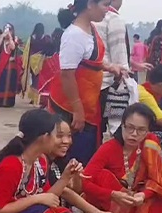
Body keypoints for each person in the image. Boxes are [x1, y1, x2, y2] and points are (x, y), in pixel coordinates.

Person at [83, 103, 162, 213]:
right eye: (130, 127)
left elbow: (157, 179)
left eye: (141, 130)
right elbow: (85, 182)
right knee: (103, 176)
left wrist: (143, 195)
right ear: (122, 126)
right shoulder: (109, 148)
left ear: (147, 131)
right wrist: (113, 194)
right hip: (113, 201)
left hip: (138, 200)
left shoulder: (150, 144)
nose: (134, 134)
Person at [48, 0, 123, 165]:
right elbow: (67, 74)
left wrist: (110, 67)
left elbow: (91, 60)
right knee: (72, 154)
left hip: (88, 104)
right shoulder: (74, 35)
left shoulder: (91, 28)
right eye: (105, 4)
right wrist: (78, 110)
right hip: (70, 107)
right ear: (90, 4)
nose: (108, 9)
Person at [95, 0, 131, 135]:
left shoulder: (83, 19)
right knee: (117, 129)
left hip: (88, 84)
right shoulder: (113, 19)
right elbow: (120, 60)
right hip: (108, 86)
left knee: (93, 129)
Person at [21, 23, 51, 105]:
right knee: (39, 80)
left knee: (33, 79)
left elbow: (27, 50)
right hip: (41, 61)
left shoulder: (31, 38)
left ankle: (33, 98)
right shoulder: (46, 38)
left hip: (32, 61)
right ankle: (37, 98)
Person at [0, 23, 20, 107]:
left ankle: (8, 102)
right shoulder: (2, 40)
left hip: (11, 66)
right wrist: (2, 36)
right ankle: (0, 101)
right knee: (2, 82)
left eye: (9, 29)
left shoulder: (14, 39)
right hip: (2, 65)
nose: (8, 31)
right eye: (6, 28)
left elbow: (12, 47)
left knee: (10, 83)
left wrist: (10, 37)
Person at [37, 28, 63, 108]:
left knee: (46, 86)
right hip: (57, 66)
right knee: (54, 86)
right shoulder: (63, 44)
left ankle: (45, 103)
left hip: (48, 65)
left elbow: (44, 53)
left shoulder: (50, 43)